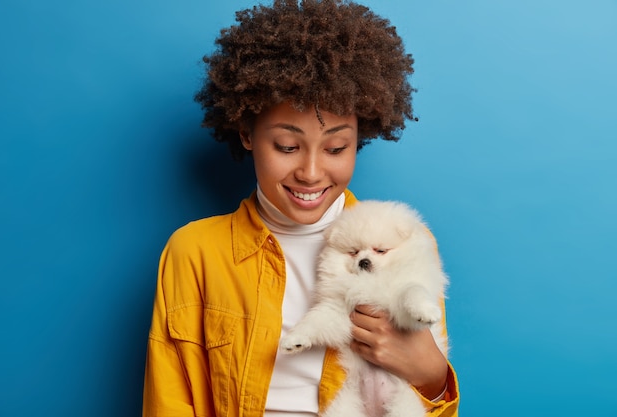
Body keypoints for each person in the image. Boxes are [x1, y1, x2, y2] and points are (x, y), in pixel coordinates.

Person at [142, 1, 460, 416]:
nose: (310, 172)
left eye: (336, 148)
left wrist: (432, 376)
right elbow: (169, 400)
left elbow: (425, 401)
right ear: (246, 134)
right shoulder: (195, 252)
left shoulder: (406, 240)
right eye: (287, 147)